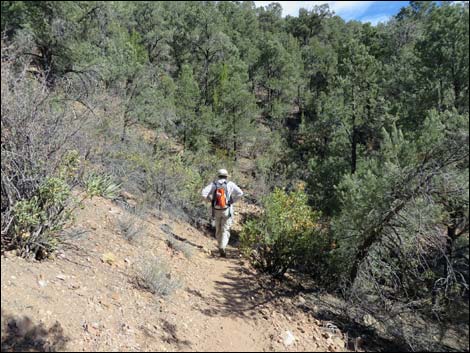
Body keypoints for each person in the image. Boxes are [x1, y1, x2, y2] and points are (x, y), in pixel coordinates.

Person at [201, 169, 243, 257]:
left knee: (218, 228)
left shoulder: (214, 184)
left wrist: (210, 201)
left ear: (218, 175)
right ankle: (222, 246)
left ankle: (220, 244)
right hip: (226, 210)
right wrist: (232, 201)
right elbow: (240, 193)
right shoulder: (230, 184)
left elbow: (203, 194)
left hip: (216, 210)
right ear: (226, 176)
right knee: (225, 229)